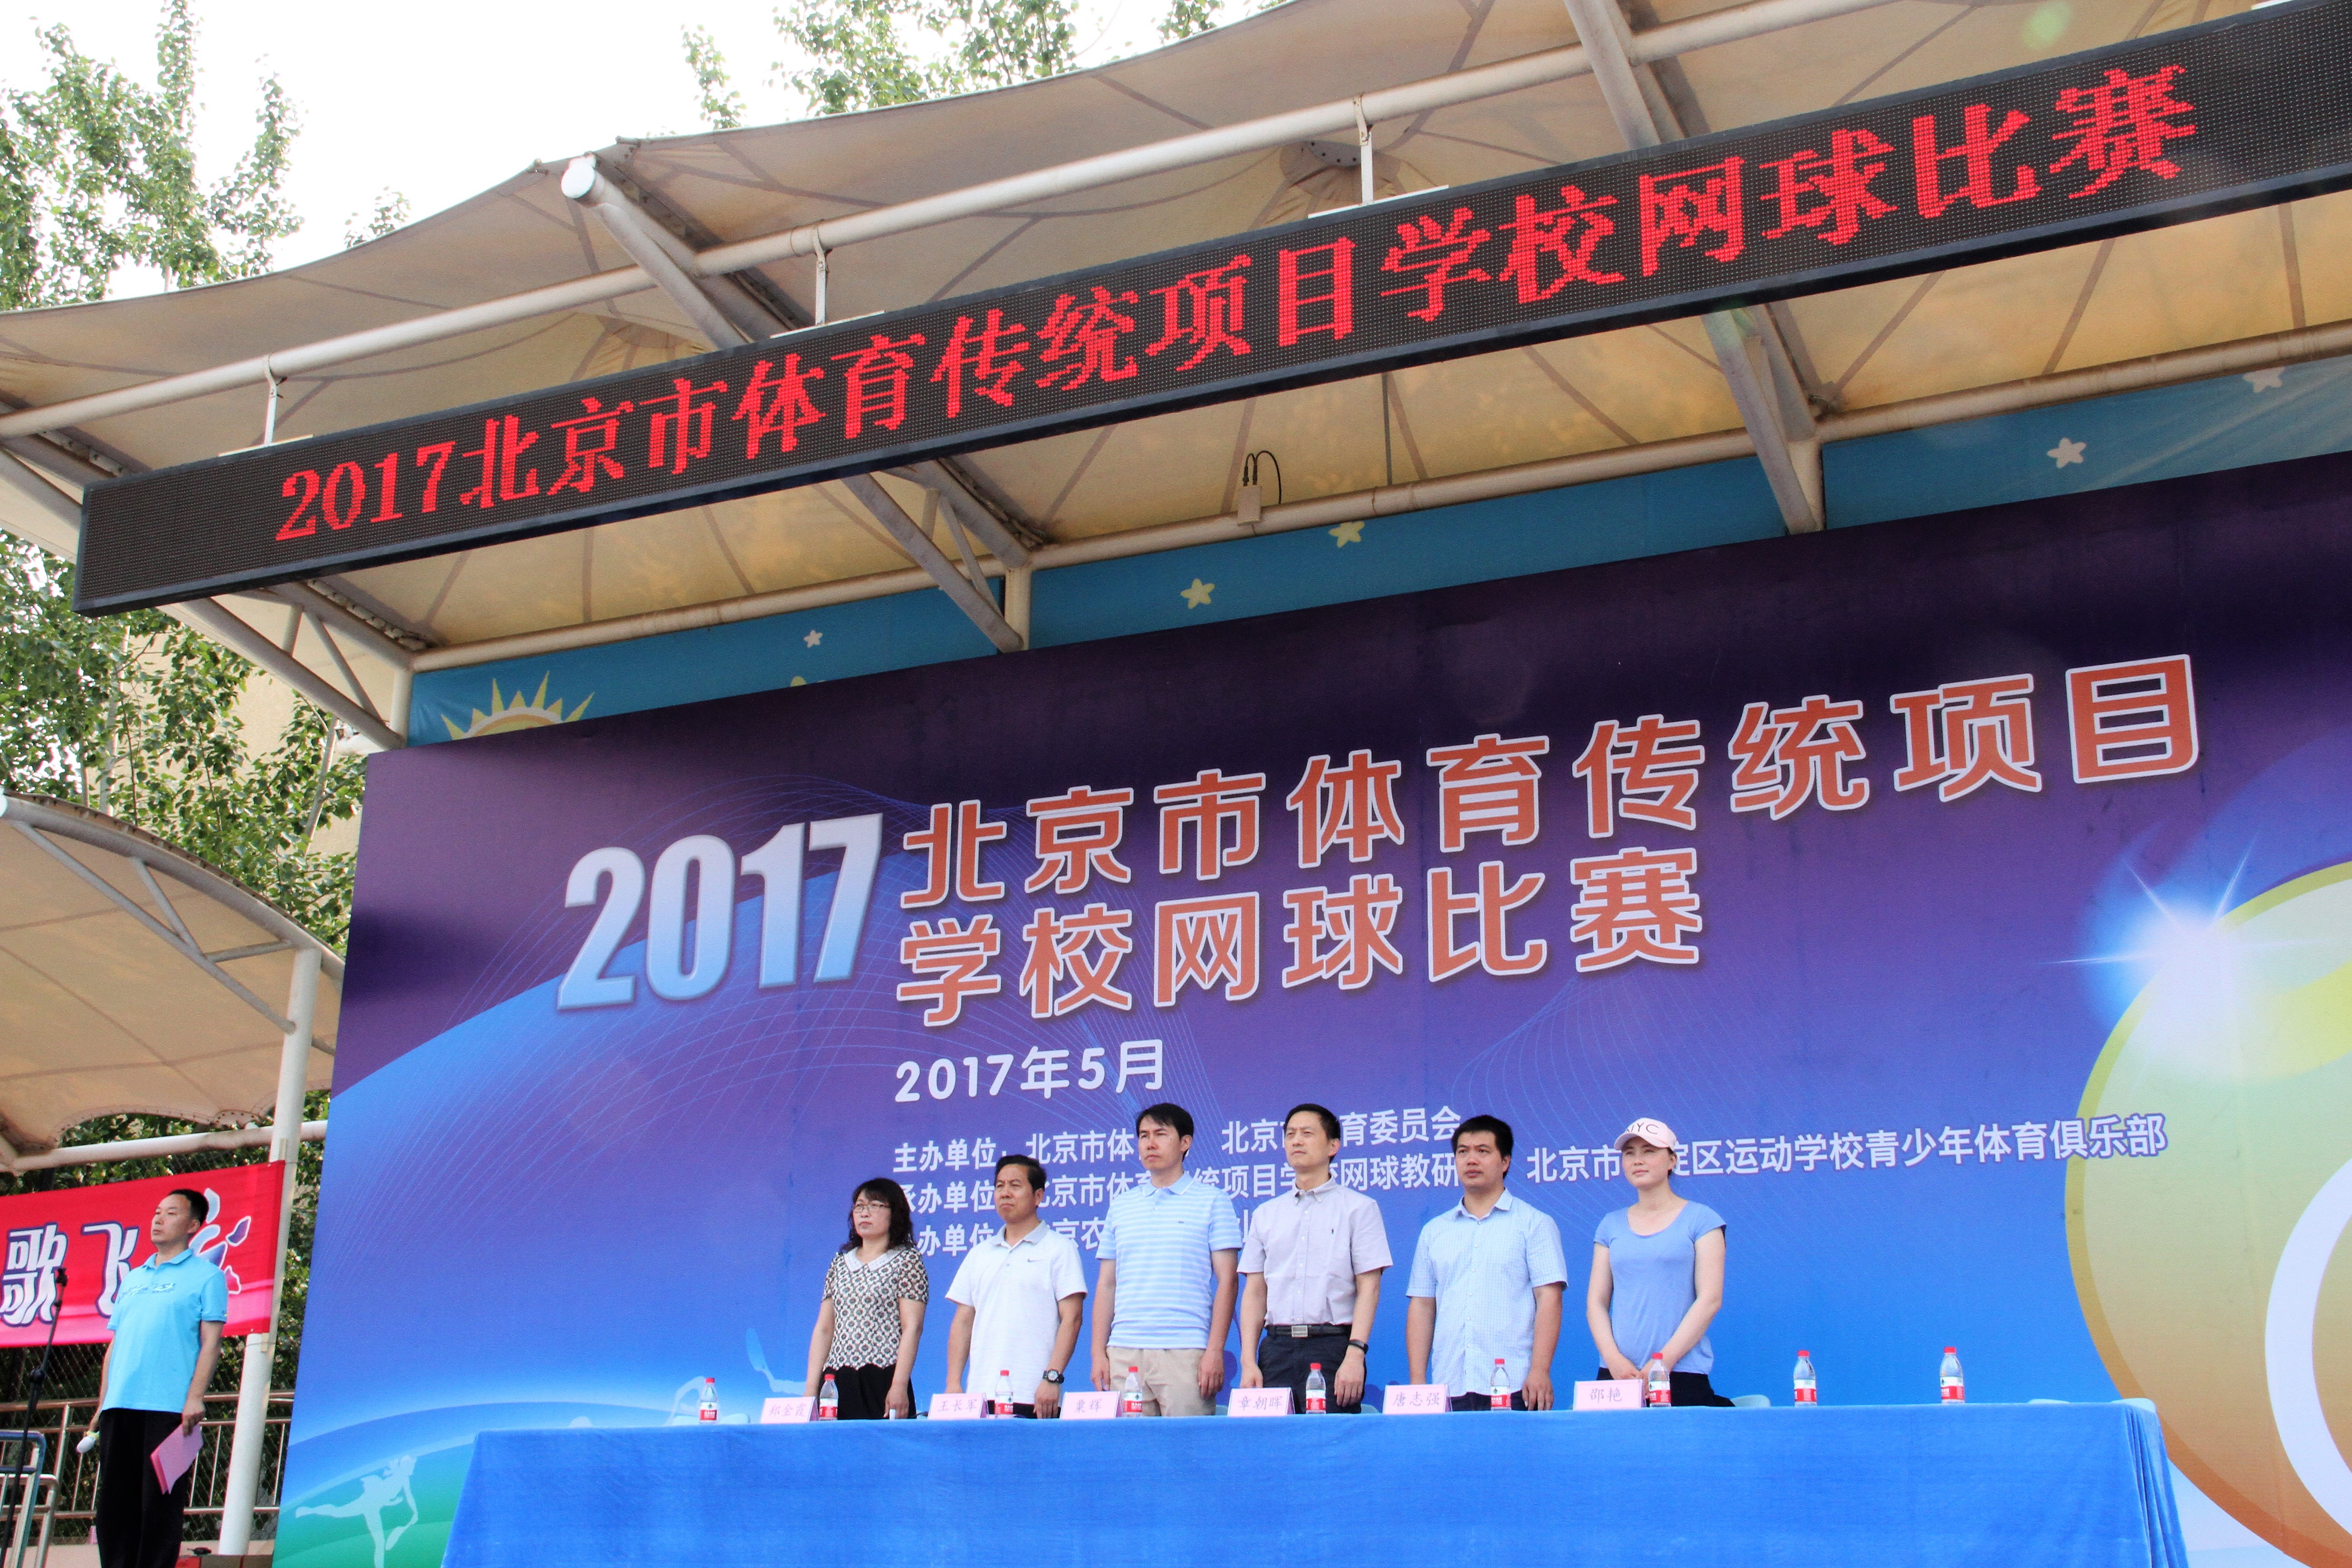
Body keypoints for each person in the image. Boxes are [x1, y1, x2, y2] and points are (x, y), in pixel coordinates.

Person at [85, 1187, 226, 1568]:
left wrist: (194, 1397)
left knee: (158, 1504)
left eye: (172, 1213)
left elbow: (211, 1344)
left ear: (193, 1225)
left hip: (168, 1408)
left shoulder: (207, 1277)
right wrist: (103, 1403)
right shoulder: (133, 1278)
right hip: (120, 1405)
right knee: (114, 1504)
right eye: (157, 1212)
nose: (159, 1219)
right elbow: (115, 1345)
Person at [1405, 1115, 1567, 1411]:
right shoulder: (1435, 1231)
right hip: (1449, 1383)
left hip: (1515, 1383)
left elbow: (1549, 1299)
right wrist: (1418, 1381)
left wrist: (1540, 1370)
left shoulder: (1534, 1224)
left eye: (1483, 1151)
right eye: (1463, 1152)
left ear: (1505, 1162)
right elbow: (1423, 1305)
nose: (1471, 1160)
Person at [1237, 1103, 1390, 1413]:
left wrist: (1355, 1353)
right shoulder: (1266, 1214)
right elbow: (1255, 1291)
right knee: (1275, 1440)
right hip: (1276, 1349)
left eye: (1307, 1133)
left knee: (1330, 1440)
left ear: (1333, 1146)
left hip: (1332, 1347)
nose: (1296, 1141)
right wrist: (1249, 1361)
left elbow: (1370, 1288)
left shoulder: (1359, 1209)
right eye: (1290, 1134)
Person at [1090, 1102, 1241, 1416]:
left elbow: (1228, 1281)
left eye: (1161, 1134)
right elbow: (1106, 1285)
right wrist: (1098, 1353)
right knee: (1130, 1445)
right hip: (1125, 1350)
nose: (1150, 1143)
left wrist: (1214, 1350)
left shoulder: (1212, 1201)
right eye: (1144, 1136)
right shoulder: (1122, 1205)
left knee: (1187, 1444)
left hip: (1185, 1348)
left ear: (1185, 1142)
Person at [1588, 1117, 1732, 1406]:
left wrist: (1663, 1362)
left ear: (1672, 1160)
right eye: (1630, 1153)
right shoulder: (1610, 1225)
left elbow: (1710, 1300)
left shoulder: (1702, 1220)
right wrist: (1613, 1360)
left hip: (1681, 1372)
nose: (1638, 1160)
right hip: (1619, 1375)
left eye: (1649, 1151)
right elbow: (1596, 1302)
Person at [944, 1154, 1086, 1416]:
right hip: (980, 1395)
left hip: (1035, 1394)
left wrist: (1052, 1377)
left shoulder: (1060, 1249)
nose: (1005, 1193)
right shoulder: (980, 1254)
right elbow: (963, 1321)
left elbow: (1073, 1318)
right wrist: (954, 1383)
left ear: (1038, 1196)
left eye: (1015, 1186)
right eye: (1000, 1186)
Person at [806, 1177, 928, 1419]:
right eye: (860, 1207)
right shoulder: (840, 1263)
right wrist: (811, 1388)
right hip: (836, 1381)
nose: (865, 1213)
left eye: (875, 1206)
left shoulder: (908, 1260)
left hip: (883, 1377)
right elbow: (824, 1328)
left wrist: (899, 1385)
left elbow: (912, 1327)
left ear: (895, 1213)